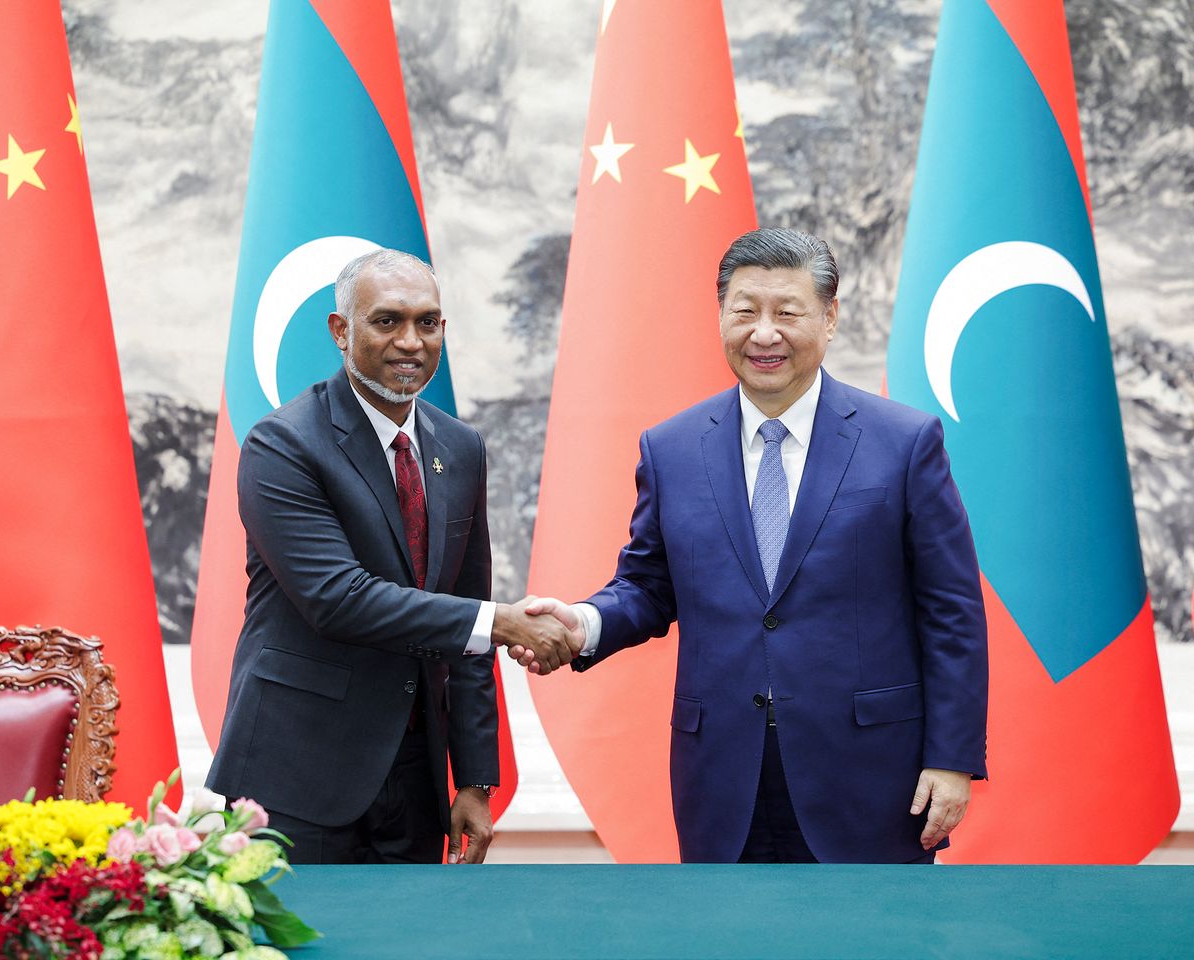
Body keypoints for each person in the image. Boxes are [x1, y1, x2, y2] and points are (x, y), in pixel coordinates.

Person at [520, 229, 988, 863]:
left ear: (830, 316)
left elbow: (952, 613)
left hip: (873, 777)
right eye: (745, 312)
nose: (764, 334)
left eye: (787, 313)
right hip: (722, 778)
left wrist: (952, 759)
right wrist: (581, 624)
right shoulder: (672, 448)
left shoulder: (904, 444)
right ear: (721, 317)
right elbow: (649, 587)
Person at [207, 249, 578, 865]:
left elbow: (468, 616)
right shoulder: (282, 444)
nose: (412, 342)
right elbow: (338, 600)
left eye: (428, 323)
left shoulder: (460, 447)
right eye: (387, 321)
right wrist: (501, 621)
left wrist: (476, 780)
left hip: (415, 778)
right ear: (340, 331)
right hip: (295, 773)